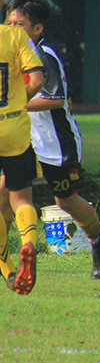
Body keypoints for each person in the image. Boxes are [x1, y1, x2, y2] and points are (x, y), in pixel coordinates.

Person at [1, 0, 100, 280]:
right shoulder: (11, 52)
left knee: (65, 200)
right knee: (5, 194)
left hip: (55, 143)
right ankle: (8, 258)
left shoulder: (43, 55)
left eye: (20, 23)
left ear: (37, 29)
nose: (13, 28)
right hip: (23, 140)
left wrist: (14, 104)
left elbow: (55, 98)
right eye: (9, 22)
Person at [0, 19, 46, 294]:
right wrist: (18, 101)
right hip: (15, 129)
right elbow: (38, 80)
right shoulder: (16, 36)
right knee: (21, 199)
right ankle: (28, 241)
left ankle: (8, 272)